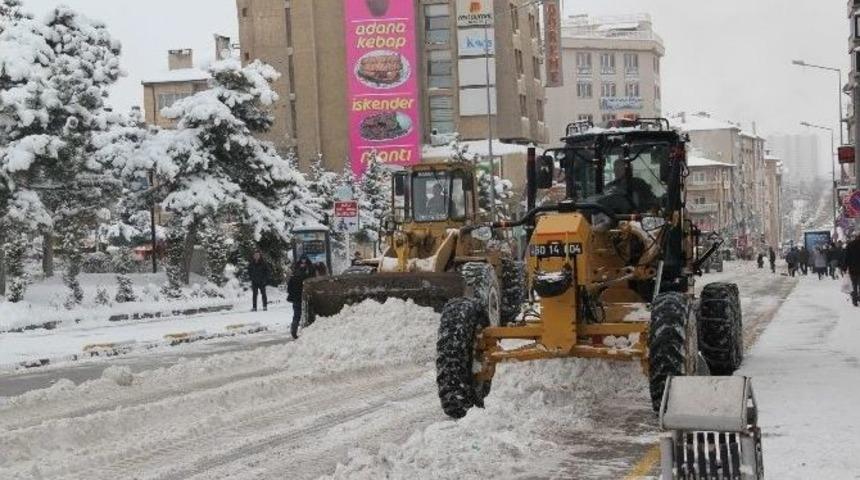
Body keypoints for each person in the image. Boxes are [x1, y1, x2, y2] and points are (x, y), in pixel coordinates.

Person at [288, 255, 317, 339]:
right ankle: (301, 330)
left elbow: (290, 287)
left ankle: (295, 330)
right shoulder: (310, 272)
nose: (303, 263)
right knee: (307, 313)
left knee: (298, 314)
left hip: (299, 297)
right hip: (304, 296)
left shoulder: (295, 272)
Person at [842, 233, 860, 306]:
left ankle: (854, 300)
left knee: (854, 285)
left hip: (853, 269)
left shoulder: (850, 245)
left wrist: (844, 267)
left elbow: (847, 257)